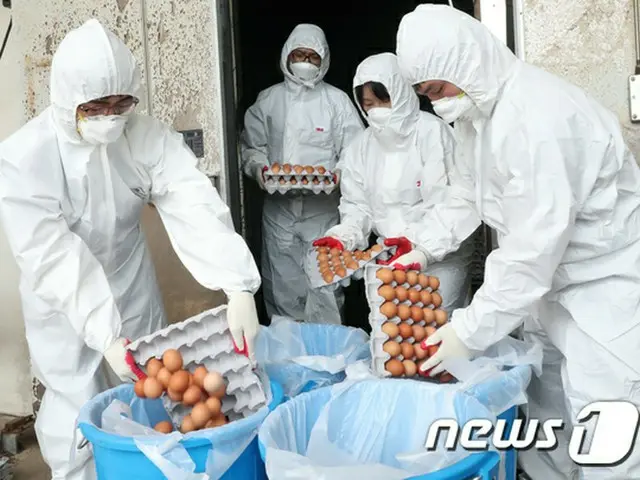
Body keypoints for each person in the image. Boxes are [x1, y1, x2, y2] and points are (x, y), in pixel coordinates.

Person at [0, 19, 261, 480]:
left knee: (151, 404)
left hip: (129, 277)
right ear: (67, 101)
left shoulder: (141, 136)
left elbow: (190, 198)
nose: (112, 117)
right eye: (97, 106)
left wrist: (237, 284)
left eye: (122, 103)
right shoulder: (25, 160)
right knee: (76, 416)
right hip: (62, 302)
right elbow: (51, 254)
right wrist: (102, 332)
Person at [396, 5, 640, 479]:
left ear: (464, 62)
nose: (437, 103)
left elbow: (532, 251)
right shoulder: (479, 118)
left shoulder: (541, 119)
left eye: (438, 89)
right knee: (550, 408)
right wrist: (425, 245)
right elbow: (469, 192)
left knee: (605, 422)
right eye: (426, 95)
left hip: (603, 292)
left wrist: (468, 331)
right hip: (550, 291)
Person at [313, 52, 477, 313]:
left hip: (442, 257)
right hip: (391, 258)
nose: (375, 110)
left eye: (383, 100)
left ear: (401, 93)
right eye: (368, 103)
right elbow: (358, 207)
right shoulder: (361, 148)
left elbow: (457, 202)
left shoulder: (433, 134)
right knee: (394, 340)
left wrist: (421, 247)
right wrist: (343, 237)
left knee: (437, 333)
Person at [240, 24, 364, 325]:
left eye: (312, 57)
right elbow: (251, 147)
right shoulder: (268, 100)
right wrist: (260, 170)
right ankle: (290, 356)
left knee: (325, 286)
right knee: (283, 286)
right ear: (287, 55)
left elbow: (356, 150)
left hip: (322, 213)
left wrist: (338, 174)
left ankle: (330, 354)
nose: (305, 62)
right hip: (279, 212)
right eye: (299, 55)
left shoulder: (337, 102)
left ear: (324, 61)